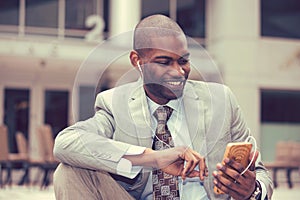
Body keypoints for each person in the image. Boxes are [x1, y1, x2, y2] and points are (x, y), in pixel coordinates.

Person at [53, 14, 273, 200]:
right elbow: (66, 143)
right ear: (136, 61)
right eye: (164, 62)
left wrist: (252, 191)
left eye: (183, 60)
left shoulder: (221, 100)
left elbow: (261, 173)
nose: (178, 71)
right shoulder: (113, 103)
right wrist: (153, 158)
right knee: (68, 171)